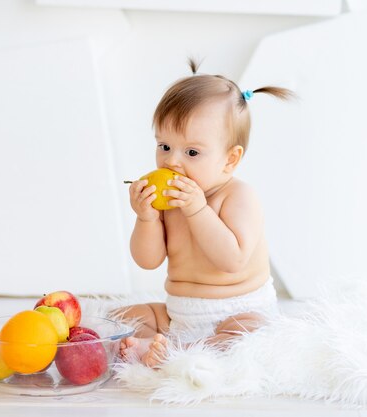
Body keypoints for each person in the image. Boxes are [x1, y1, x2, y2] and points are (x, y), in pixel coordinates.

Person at [117, 59, 292, 367]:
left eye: (192, 152)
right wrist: (146, 217)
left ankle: (178, 353)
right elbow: (148, 261)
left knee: (252, 336)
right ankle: (162, 344)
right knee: (129, 316)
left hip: (237, 312)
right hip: (180, 313)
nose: (172, 162)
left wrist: (198, 211)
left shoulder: (239, 197)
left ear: (230, 160)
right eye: (165, 146)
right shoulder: (169, 200)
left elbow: (232, 260)